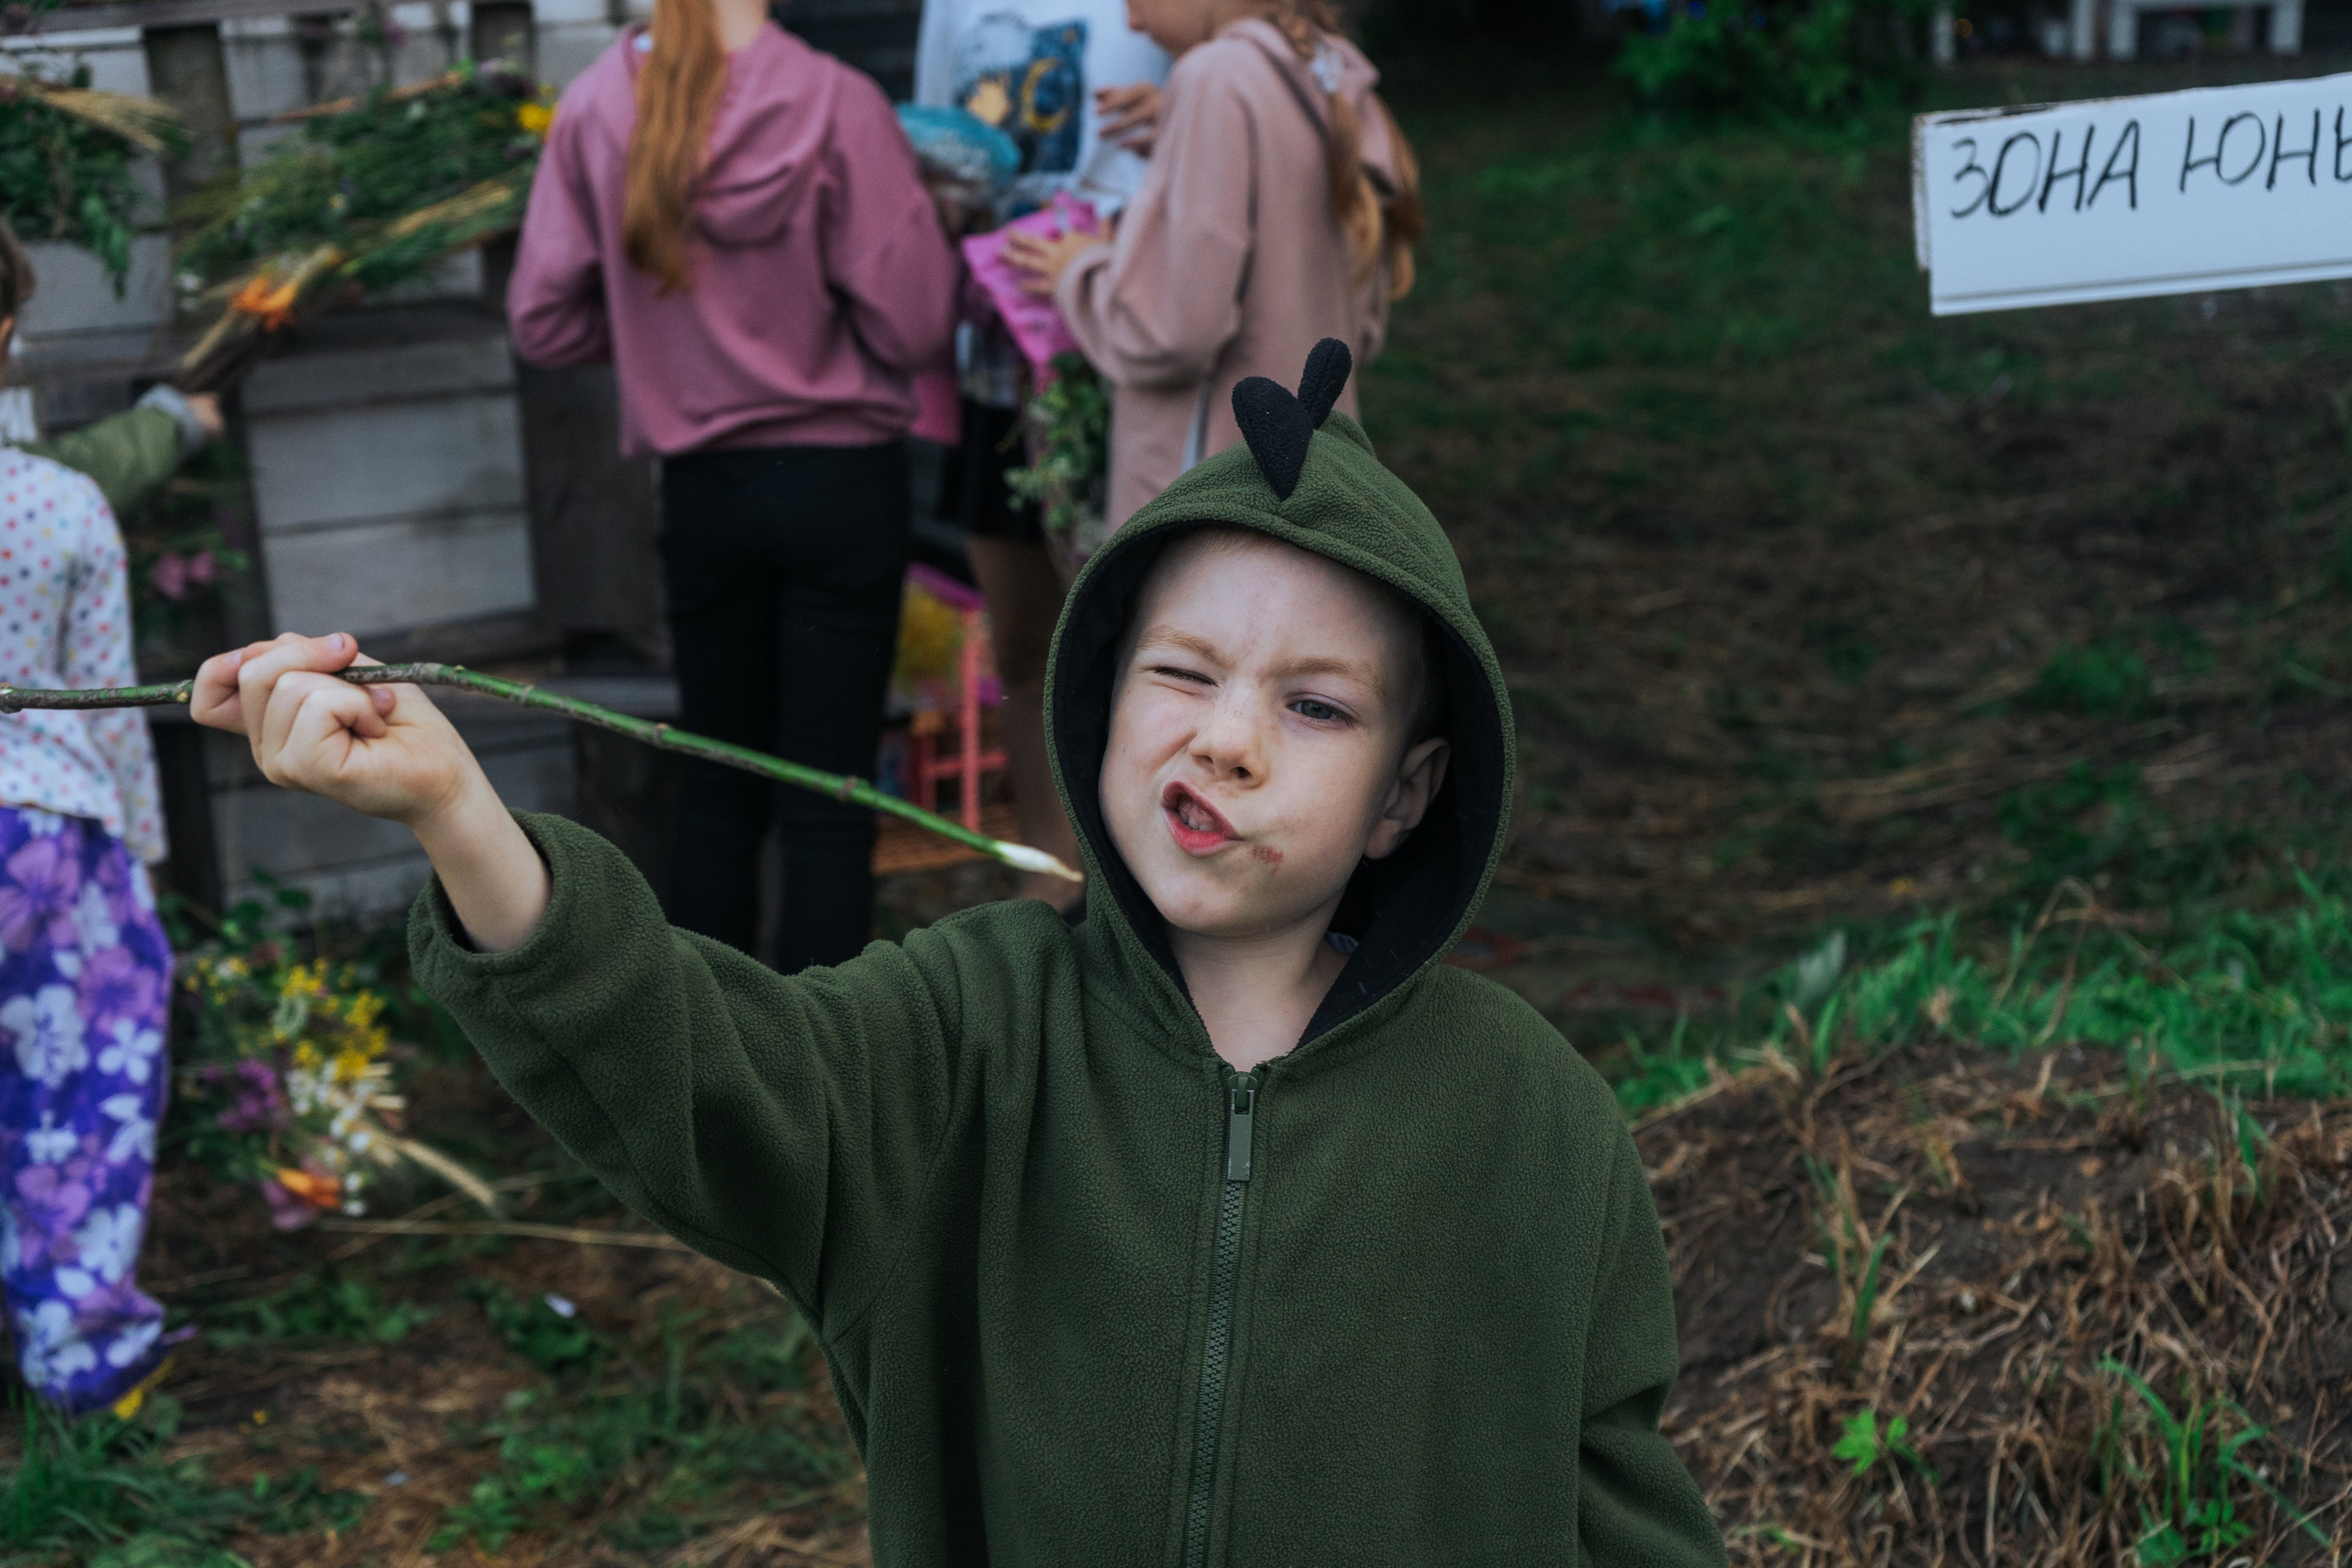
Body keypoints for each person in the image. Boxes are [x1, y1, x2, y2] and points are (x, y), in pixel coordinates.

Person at [189, 342, 1724, 1565]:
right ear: (1100, 700)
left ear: (1408, 792)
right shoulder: (965, 1032)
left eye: (1316, 706)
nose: (1230, 739)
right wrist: (460, 811)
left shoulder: (1534, 1123)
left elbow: (1625, 1515)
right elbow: (705, 1071)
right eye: (1181, 672)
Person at [506, 0, 959, 970]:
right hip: (840, 489)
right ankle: (828, 1081)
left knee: (716, 791)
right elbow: (916, 327)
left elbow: (542, 321)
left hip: (706, 495)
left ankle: (702, 1073)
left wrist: (662, 347)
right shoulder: (839, 103)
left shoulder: (594, 107)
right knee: (829, 801)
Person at [913, 0, 1169, 908]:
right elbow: (938, 147)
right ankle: (1052, 898)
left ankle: (1150, 896)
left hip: (1130, 368)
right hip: (1002, 367)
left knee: (1144, 640)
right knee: (1026, 646)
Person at [1006, 0, 1421, 530]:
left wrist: (1077, 269)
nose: (1130, 20)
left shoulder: (1213, 76)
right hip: (1314, 487)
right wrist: (1182, 132)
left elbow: (1172, 334)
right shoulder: (1331, 70)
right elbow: (1360, 329)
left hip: (1211, 505)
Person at [0, 221, 182, 1418]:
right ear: (6, 334)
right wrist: (147, 870)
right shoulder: (61, 507)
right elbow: (109, 704)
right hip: (47, 832)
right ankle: (77, 1345)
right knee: (78, 1088)